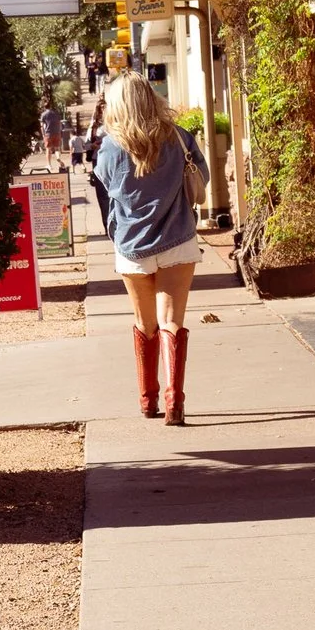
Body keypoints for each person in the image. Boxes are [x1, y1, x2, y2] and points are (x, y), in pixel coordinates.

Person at [89, 72, 204, 424]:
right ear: (150, 98)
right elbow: (202, 179)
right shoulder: (179, 138)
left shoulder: (109, 146)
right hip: (178, 240)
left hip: (132, 245)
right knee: (172, 321)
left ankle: (147, 399)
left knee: (145, 322)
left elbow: (107, 188)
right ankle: (175, 402)